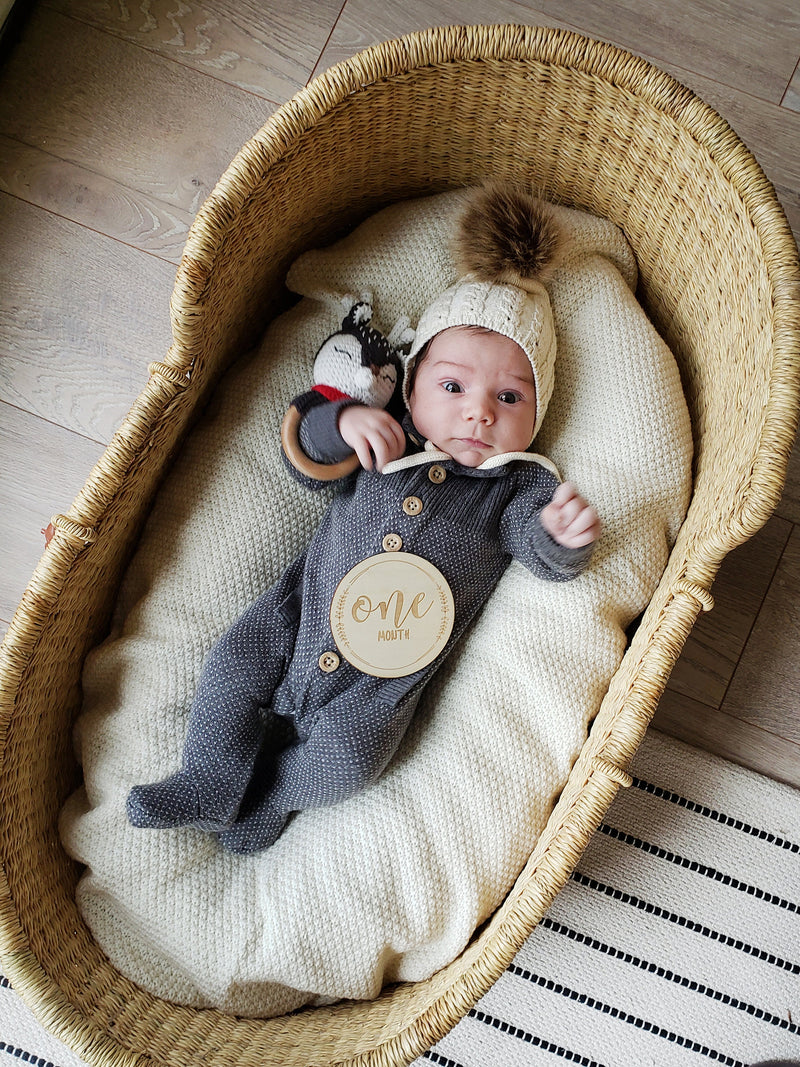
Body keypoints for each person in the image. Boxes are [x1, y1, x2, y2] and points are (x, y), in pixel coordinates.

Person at [127, 184, 600, 854]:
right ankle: (209, 775)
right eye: (453, 386)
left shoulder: (515, 485)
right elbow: (306, 451)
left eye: (509, 396)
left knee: (350, 763)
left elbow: (537, 544)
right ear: (411, 387)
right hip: (296, 616)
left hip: (380, 686)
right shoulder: (389, 436)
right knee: (232, 667)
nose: (479, 412)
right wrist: (345, 422)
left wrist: (561, 534)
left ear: (538, 411)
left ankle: (271, 795)